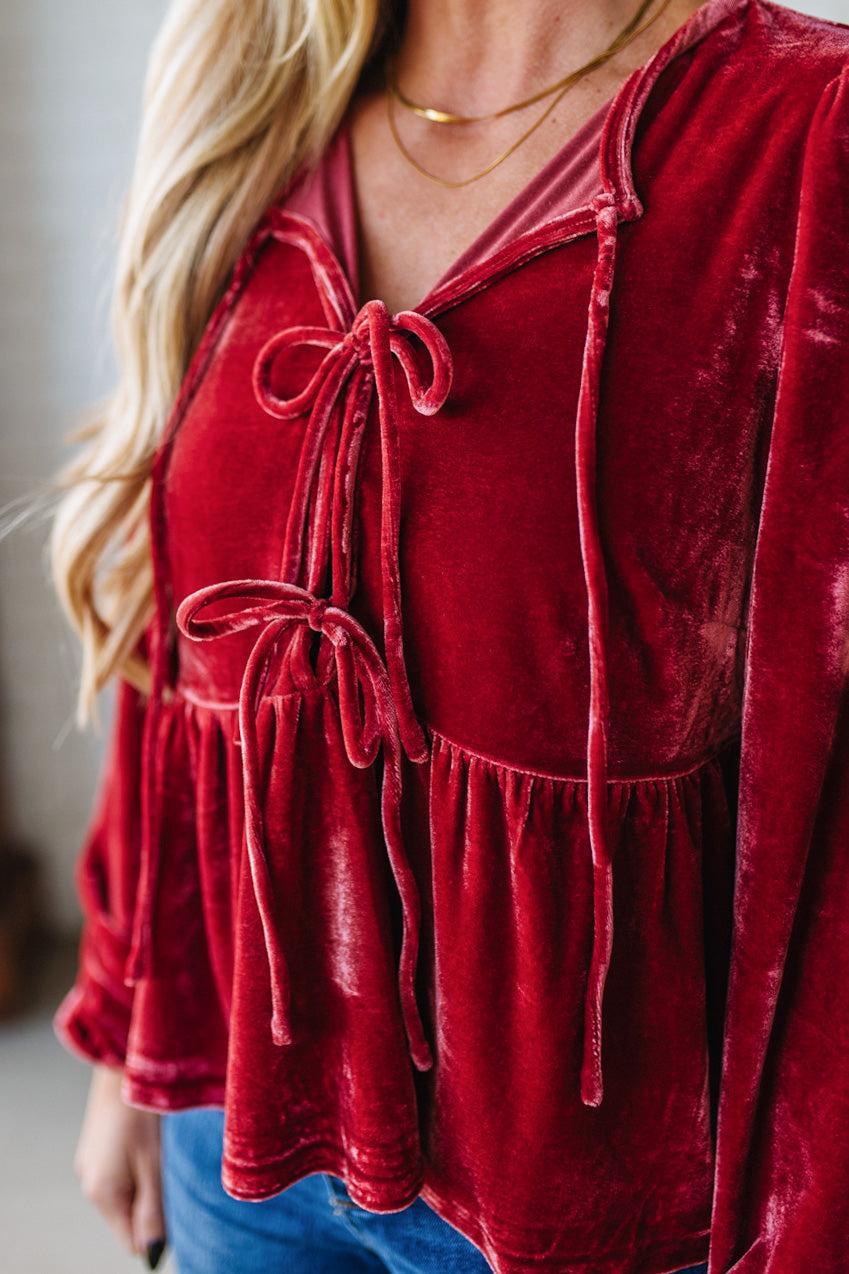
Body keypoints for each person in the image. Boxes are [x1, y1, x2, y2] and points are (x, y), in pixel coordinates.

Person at [48, 0, 849, 1270]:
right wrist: (132, 1034)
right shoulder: (252, 89)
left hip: (587, 1211)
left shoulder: (806, 129)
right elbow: (179, 626)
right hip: (233, 1135)